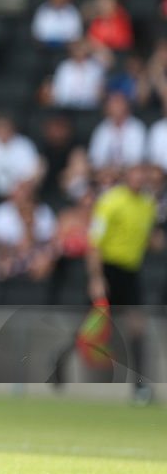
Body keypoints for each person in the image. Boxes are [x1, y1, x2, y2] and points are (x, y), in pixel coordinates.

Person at [86, 164, 158, 403]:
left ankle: (140, 388)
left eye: (143, 175)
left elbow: (146, 237)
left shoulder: (148, 204)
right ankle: (59, 365)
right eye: (135, 174)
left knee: (137, 328)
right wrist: (96, 278)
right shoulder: (111, 201)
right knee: (93, 326)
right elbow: (94, 241)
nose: (139, 179)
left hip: (131, 272)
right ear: (126, 177)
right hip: (108, 269)